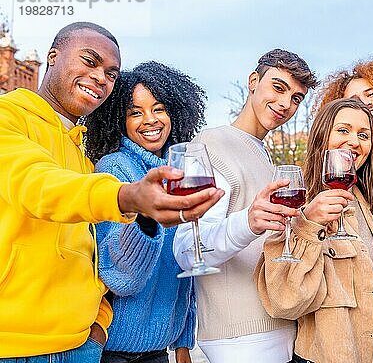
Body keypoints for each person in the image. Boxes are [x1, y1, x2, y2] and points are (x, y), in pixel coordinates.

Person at [0, 22, 222, 362]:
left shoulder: (80, 152)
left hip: (80, 345)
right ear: (53, 57)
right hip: (17, 345)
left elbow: (93, 258)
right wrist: (129, 199)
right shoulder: (7, 117)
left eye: (111, 73)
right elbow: (38, 185)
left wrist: (99, 325)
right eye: (89, 61)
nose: (100, 77)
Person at [173, 49, 318, 363]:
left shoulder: (264, 155)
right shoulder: (209, 145)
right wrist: (248, 223)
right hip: (238, 338)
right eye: (278, 88)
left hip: (281, 325)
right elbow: (187, 248)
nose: (285, 104)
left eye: (296, 98)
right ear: (253, 81)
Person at [256, 98, 373, 363]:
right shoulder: (295, 202)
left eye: (363, 134)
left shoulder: (372, 202)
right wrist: (309, 224)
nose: (354, 141)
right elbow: (284, 301)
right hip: (331, 354)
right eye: (343, 130)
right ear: (322, 136)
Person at [82, 61, 207, 363]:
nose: (149, 120)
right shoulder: (115, 169)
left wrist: (183, 341)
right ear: (118, 121)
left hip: (159, 349)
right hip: (115, 351)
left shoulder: (176, 171)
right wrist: (146, 217)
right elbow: (121, 276)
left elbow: (183, 264)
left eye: (159, 108)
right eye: (135, 112)